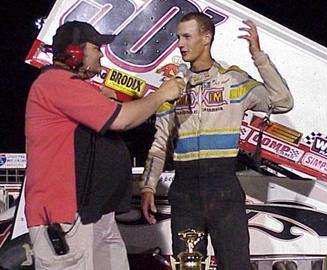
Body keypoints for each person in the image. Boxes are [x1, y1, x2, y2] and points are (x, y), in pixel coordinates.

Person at [24, 20, 184, 270]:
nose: (101, 55)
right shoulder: (57, 83)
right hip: (66, 219)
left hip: (94, 215)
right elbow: (121, 119)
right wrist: (161, 94)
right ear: (75, 51)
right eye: (96, 48)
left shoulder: (72, 87)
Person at [139, 12, 293, 270]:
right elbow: (159, 142)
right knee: (188, 267)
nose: (180, 44)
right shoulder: (172, 86)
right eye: (178, 37)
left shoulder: (233, 81)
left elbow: (282, 100)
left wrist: (258, 55)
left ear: (206, 38)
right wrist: (148, 186)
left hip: (224, 189)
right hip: (185, 192)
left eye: (187, 36)